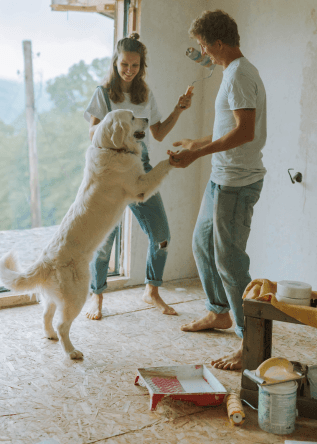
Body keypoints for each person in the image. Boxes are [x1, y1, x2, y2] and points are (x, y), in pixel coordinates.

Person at [168, 10, 267, 370]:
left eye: (203, 46)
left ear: (219, 43)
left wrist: (197, 155)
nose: (203, 52)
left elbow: (245, 132)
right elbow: (230, 128)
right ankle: (218, 312)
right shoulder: (231, 73)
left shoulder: (240, 74)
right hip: (220, 177)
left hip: (237, 182)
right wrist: (198, 143)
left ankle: (249, 342)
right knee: (201, 242)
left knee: (231, 262)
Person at [83, 33, 193, 321]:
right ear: (115, 63)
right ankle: (97, 296)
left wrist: (178, 110)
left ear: (141, 66)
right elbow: (92, 133)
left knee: (162, 236)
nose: (129, 70)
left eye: (134, 65)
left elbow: (157, 133)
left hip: (140, 168)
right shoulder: (103, 93)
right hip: (110, 170)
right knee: (104, 241)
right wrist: (117, 125)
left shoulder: (146, 94)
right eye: (124, 65)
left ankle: (152, 291)